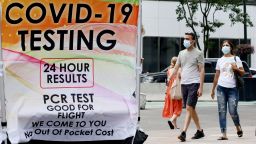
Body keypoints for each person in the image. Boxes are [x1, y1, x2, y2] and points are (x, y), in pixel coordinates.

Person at [169, 32, 205, 142]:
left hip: (194, 83)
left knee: (189, 107)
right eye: (184, 38)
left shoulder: (198, 53)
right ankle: (200, 131)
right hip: (184, 83)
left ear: (193, 41)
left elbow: (202, 70)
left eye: (188, 39)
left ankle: (183, 132)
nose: (185, 41)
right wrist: (170, 76)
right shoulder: (181, 53)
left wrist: (201, 87)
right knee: (191, 108)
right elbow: (176, 67)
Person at [211, 40, 244, 140]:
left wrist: (236, 69)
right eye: (223, 45)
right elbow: (217, 75)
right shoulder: (220, 60)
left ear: (231, 47)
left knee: (232, 111)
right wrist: (213, 89)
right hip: (221, 88)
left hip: (232, 89)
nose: (225, 47)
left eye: (227, 45)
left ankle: (238, 126)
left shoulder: (236, 58)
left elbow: (243, 72)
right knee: (222, 111)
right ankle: (224, 134)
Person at [164, 57, 183, 129]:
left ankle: (175, 125)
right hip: (177, 91)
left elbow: (167, 83)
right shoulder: (179, 70)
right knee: (178, 108)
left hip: (170, 91)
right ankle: (171, 120)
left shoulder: (169, 71)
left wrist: (166, 92)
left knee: (173, 108)